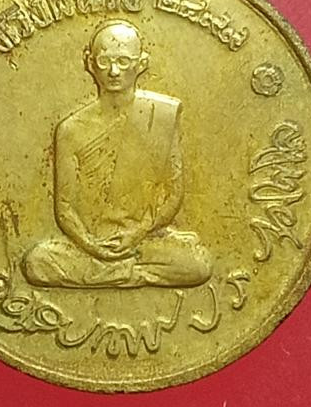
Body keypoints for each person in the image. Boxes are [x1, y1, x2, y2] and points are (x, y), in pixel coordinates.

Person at [21, 20, 212, 288]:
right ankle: (128, 273)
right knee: (38, 262)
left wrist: (137, 233)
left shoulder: (161, 115)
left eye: (124, 61)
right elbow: (64, 208)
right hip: (89, 244)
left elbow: (173, 193)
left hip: (144, 240)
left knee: (198, 264)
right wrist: (92, 245)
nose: (113, 71)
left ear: (141, 63)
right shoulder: (71, 129)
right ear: (90, 63)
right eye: (104, 61)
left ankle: (108, 273)